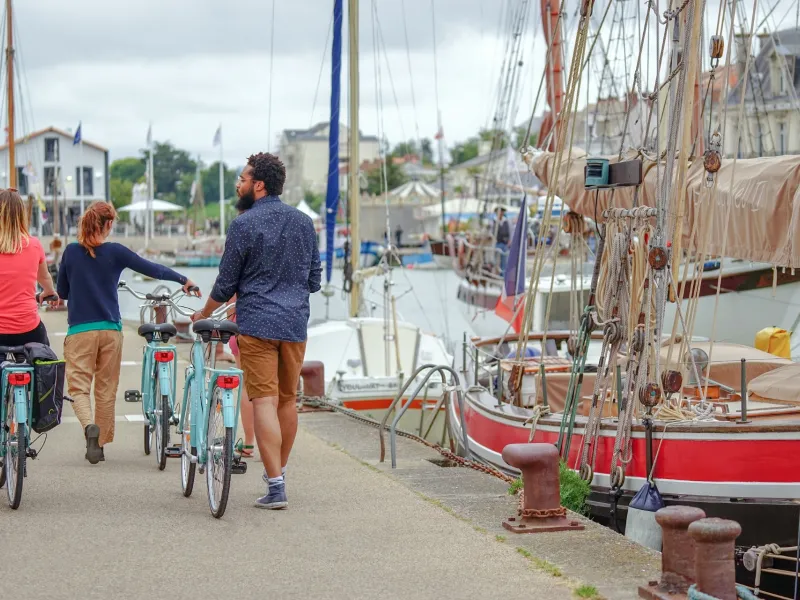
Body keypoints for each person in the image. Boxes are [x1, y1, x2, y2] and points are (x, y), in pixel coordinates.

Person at [192, 152, 321, 510]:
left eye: (243, 178)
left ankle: (276, 485)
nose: (239, 184)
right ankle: (277, 472)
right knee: (286, 401)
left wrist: (202, 314)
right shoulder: (304, 222)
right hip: (294, 325)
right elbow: (314, 280)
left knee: (262, 400)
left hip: (258, 324)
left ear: (258, 185)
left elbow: (225, 284)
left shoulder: (243, 225)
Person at [57, 202, 199, 465]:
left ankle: (89, 426)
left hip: (80, 331)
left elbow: (63, 292)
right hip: (110, 330)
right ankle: (98, 445)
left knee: (79, 388)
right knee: (106, 389)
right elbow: (152, 269)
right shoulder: (116, 252)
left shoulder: (71, 252)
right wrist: (183, 280)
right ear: (109, 224)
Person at [0, 188, 59, 347]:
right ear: (21, 215)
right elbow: (45, 278)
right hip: (28, 330)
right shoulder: (34, 245)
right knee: (46, 362)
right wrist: (49, 292)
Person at [229, 195, 256, 459]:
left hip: (241, 325)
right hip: (269, 324)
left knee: (247, 386)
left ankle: (249, 442)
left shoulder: (240, 240)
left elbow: (227, 291)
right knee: (273, 389)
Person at [494, 207, 510, 273]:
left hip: (505, 244)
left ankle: (503, 275)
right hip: (497, 243)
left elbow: (509, 232)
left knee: (504, 261)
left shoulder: (506, 221)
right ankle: (496, 274)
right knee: (496, 261)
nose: (501, 213)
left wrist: (509, 241)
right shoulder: (494, 221)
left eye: (502, 212)